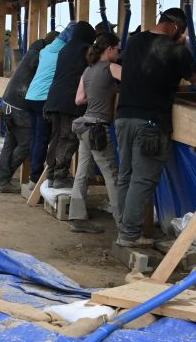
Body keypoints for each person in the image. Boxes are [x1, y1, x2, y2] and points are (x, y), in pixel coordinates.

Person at [113, 8, 196, 250]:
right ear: (174, 26)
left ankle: (124, 228)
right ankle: (129, 235)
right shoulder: (175, 49)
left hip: (124, 117)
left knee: (126, 177)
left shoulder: (135, 40)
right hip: (150, 123)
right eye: (181, 30)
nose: (181, 35)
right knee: (142, 180)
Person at [67, 31, 122, 233]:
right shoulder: (112, 67)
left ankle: (77, 217)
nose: (119, 53)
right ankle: (123, 223)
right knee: (112, 175)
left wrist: (97, 94)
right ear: (109, 49)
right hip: (98, 127)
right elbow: (133, 83)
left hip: (84, 126)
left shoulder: (87, 71)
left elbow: (79, 100)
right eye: (118, 49)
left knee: (82, 172)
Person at [0, 31, 56, 193]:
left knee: (10, 142)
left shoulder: (32, 52)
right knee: (27, 143)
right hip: (20, 105)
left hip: (8, 101)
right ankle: (4, 178)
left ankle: (2, 181)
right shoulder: (40, 56)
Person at [42, 21, 97, 188]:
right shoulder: (85, 50)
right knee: (68, 138)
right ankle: (60, 176)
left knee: (56, 138)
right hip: (69, 101)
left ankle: (51, 175)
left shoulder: (65, 48)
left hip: (54, 99)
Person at [22, 26, 70, 182]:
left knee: (36, 138)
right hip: (42, 98)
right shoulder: (63, 54)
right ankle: (36, 177)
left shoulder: (44, 52)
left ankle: (33, 176)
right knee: (42, 139)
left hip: (31, 96)